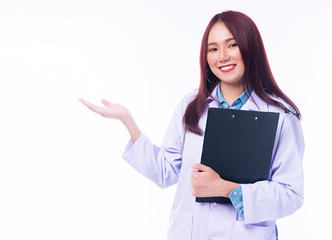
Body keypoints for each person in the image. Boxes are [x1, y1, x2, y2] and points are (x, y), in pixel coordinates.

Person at [79, 10, 304, 240]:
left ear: (250, 47)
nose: (222, 56)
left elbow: (291, 195)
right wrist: (127, 120)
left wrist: (226, 188)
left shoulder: (280, 116)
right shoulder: (191, 105)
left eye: (232, 45)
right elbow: (166, 172)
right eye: (213, 49)